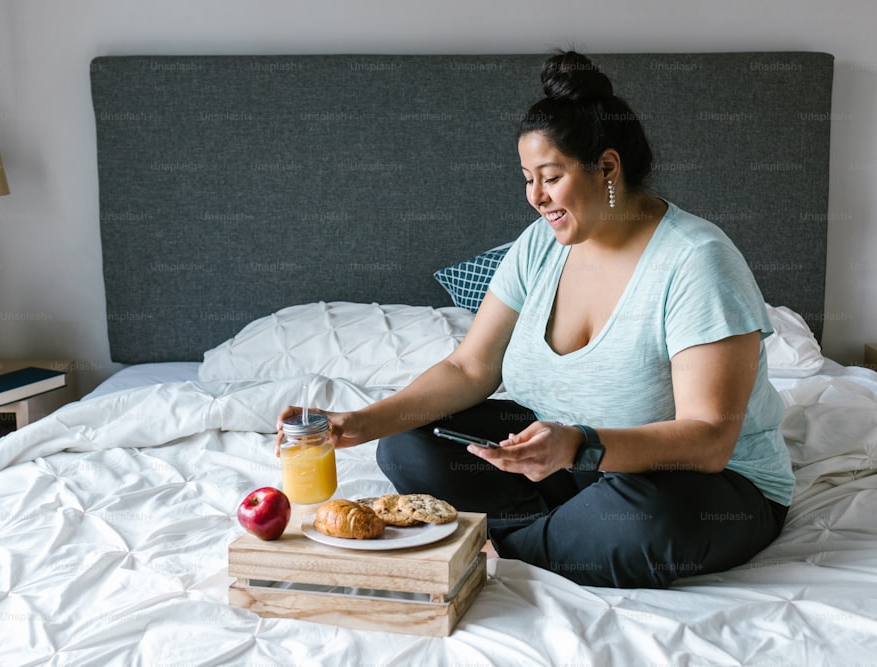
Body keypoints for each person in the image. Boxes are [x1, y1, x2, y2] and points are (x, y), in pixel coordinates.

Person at [277, 51, 793, 589]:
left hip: (694, 483)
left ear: (608, 168)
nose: (535, 198)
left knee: (643, 519)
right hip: (556, 465)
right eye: (527, 179)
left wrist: (580, 443)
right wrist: (360, 422)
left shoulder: (696, 261)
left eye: (550, 177)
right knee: (408, 443)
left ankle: (507, 543)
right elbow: (469, 369)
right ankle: (554, 536)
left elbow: (709, 441)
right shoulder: (539, 245)